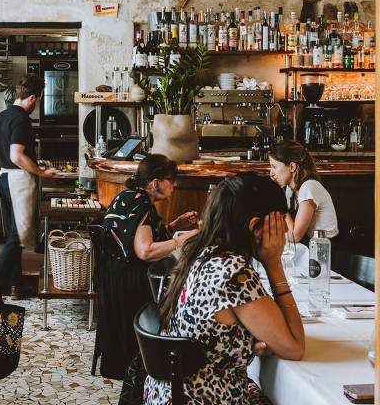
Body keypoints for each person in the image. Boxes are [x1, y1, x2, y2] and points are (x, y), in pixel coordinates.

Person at [144, 173, 305, 404]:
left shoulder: (198, 252)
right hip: (206, 397)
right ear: (255, 227)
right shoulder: (234, 272)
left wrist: (245, 343)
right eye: (280, 219)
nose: (284, 227)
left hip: (171, 394)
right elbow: (295, 347)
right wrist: (274, 264)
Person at [92, 154, 198, 388]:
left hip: (111, 275)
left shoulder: (129, 195)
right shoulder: (143, 205)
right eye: (172, 180)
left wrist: (176, 226)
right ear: (156, 182)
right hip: (127, 280)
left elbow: (139, 238)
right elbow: (145, 251)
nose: (175, 185)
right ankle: (152, 358)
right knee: (175, 288)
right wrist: (184, 240)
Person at [0, 73, 57, 302]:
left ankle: (16, 286)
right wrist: (41, 172)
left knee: (11, 236)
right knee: (16, 238)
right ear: (32, 98)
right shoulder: (21, 119)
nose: (36, 105)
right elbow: (16, 155)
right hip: (18, 180)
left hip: (3, 179)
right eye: (37, 100)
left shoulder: (1, 117)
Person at [269, 140, 337, 243]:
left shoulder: (308, 187)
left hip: (325, 250)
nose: (271, 174)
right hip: (309, 245)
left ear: (292, 167)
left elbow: (294, 237)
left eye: (274, 167)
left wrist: (279, 203)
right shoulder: (290, 189)